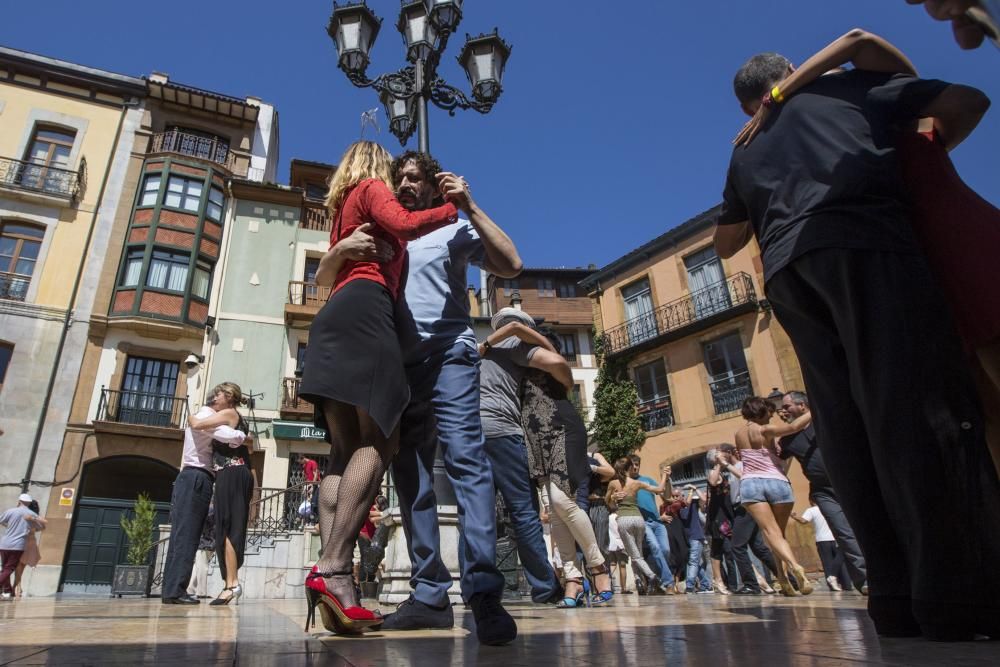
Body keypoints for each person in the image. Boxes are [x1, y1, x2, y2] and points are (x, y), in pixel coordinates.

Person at [717, 32, 1000, 640]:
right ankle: (961, 596)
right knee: (919, 406)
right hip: (866, 240)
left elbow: (725, 242)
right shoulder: (848, 89)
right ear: (789, 73)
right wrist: (924, 147)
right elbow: (969, 100)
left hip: (791, 274)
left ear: (747, 105)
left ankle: (893, 600)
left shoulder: (745, 147)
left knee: (845, 428)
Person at [324, 151, 519, 644]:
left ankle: (482, 592)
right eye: (401, 177)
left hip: (450, 355)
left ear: (434, 188)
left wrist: (469, 206)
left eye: (417, 178)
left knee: (466, 461)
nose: (407, 183)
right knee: (409, 477)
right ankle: (430, 594)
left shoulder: (452, 228)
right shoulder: (389, 227)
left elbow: (511, 264)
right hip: (398, 365)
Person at [302, 140, 462, 635]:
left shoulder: (342, 210)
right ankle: (331, 568)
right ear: (376, 168)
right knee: (381, 439)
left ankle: (339, 584)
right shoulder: (371, 189)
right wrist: (457, 204)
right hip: (366, 312)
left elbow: (328, 275)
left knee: (341, 452)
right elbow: (412, 224)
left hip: (334, 319)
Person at [478, 308, 574, 605]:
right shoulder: (514, 346)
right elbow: (558, 363)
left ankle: (476, 588)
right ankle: (545, 586)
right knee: (523, 512)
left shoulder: (478, 350)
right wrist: (565, 379)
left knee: (477, 514)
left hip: (467, 433)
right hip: (502, 432)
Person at [519, 329, 613, 607]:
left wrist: (518, 331)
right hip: (536, 440)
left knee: (563, 500)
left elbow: (551, 354)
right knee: (554, 511)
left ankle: (598, 567)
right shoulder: (520, 367)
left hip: (563, 431)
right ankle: (572, 579)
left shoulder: (555, 365)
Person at [161, 385, 246, 605]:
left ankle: (172, 589)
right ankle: (176, 590)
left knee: (181, 533)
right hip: (198, 477)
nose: (217, 398)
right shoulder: (208, 416)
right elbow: (231, 436)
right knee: (188, 535)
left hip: (189, 477)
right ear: (220, 402)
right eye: (218, 396)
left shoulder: (203, 415)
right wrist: (242, 435)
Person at [777, 391, 867, 593]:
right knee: (843, 532)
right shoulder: (788, 439)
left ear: (802, 406)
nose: (783, 410)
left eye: (787, 406)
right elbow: (778, 461)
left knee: (865, 525)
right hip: (822, 491)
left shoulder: (827, 421)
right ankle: (865, 579)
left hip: (849, 482)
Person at [732, 397, 813, 597]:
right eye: (769, 411)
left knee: (772, 533)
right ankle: (795, 566)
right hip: (777, 482)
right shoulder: (765, 429)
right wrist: (814, 409)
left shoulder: (739, 434)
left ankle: (783, 578)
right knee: (778, 534)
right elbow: (794, 427)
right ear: (760, 411)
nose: (772, 415)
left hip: (751, 483)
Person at [188, 386, 255, 606]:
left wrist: (189, 412)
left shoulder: (227, 414)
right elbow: (251, 447)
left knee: (227, 527)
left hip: (231, 473)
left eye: (218, 394)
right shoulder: (236, 418)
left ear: (229, 398)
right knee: (228, 526)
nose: (214, 397)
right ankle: (230, 583)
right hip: (236, 473)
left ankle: (232, 584)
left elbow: (197, 424)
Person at [716, 444, 778, 595]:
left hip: (746, 507)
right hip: (741, 509)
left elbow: (744, 477)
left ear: (729, 453)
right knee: (759, 548)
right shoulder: (729, 470)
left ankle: (751, 585)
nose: (717, 456)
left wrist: (725, 465)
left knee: (737, 546)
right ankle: (788, 579)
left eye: (720, 453)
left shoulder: (742, 465)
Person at [606, 457, 671, 592]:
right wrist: (665, 476)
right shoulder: (637, 483)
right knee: (638, 552)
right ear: (630, 468)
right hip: (639, 520)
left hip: (624, 520)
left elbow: (608, 503)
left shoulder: (613, 483)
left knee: (635, 555)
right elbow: (659, 489)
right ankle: (638, 581)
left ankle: (653, 577)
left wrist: (612, 497)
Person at [627, 455, 674, 594]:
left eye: (637, 464)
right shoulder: (627, 483)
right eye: (633, 464)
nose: (635, 467)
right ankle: (668, 583)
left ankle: (656, 580)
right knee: (655, 548)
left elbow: (666, 496)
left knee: (665, 550)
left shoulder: (647, 480)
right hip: (643, 522)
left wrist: (667, 479)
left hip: (658, 522)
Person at [791, 503, 851, 592]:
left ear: (812, 501)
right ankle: (847, 585)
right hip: (836, 539)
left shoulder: (812, 510)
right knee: (840, 562)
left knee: (827, 563)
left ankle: (832, 586)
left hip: (822, 540)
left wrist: (793, 516)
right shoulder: (832, 507)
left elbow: (803, 521)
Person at [705, 450, 737, 595]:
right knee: (725, 550)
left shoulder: (724, 473)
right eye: (720, 453)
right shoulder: (713, 472)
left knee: (722, 550)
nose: (723, 454)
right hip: (718, 519)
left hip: (727, 517)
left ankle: (723, 582)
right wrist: (718, 464)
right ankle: (727, 583)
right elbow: (712, 482)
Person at [1, 494, 44, 599]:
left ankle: (8, 590)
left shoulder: (11, 511)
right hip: (18, 545)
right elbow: (41, 526)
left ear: (19, 501)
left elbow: (1, 520)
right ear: (28, 503)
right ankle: (10, 590)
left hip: (4, 544)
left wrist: (9, 526)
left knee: (5, 568)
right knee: (9, 568)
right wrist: (30, 524)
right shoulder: (31, 514)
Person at [677, 485, 713, 594]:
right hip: (687, 539)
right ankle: (706, 585)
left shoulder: (692, 502)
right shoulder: (677, 506)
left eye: (678, 495)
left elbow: (704, 499)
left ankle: (690, 586)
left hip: (696, 537)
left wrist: (694, 489)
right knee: (694, 562)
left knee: (693, 561)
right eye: (675, 496)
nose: (677, 498)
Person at [187, 503, 215, 599]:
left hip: (205, 542)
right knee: (200, 566)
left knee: (200, 566)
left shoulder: (210, 509)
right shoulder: (212, 509)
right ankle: (198, 591)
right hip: (205, 542)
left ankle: (193, 590)